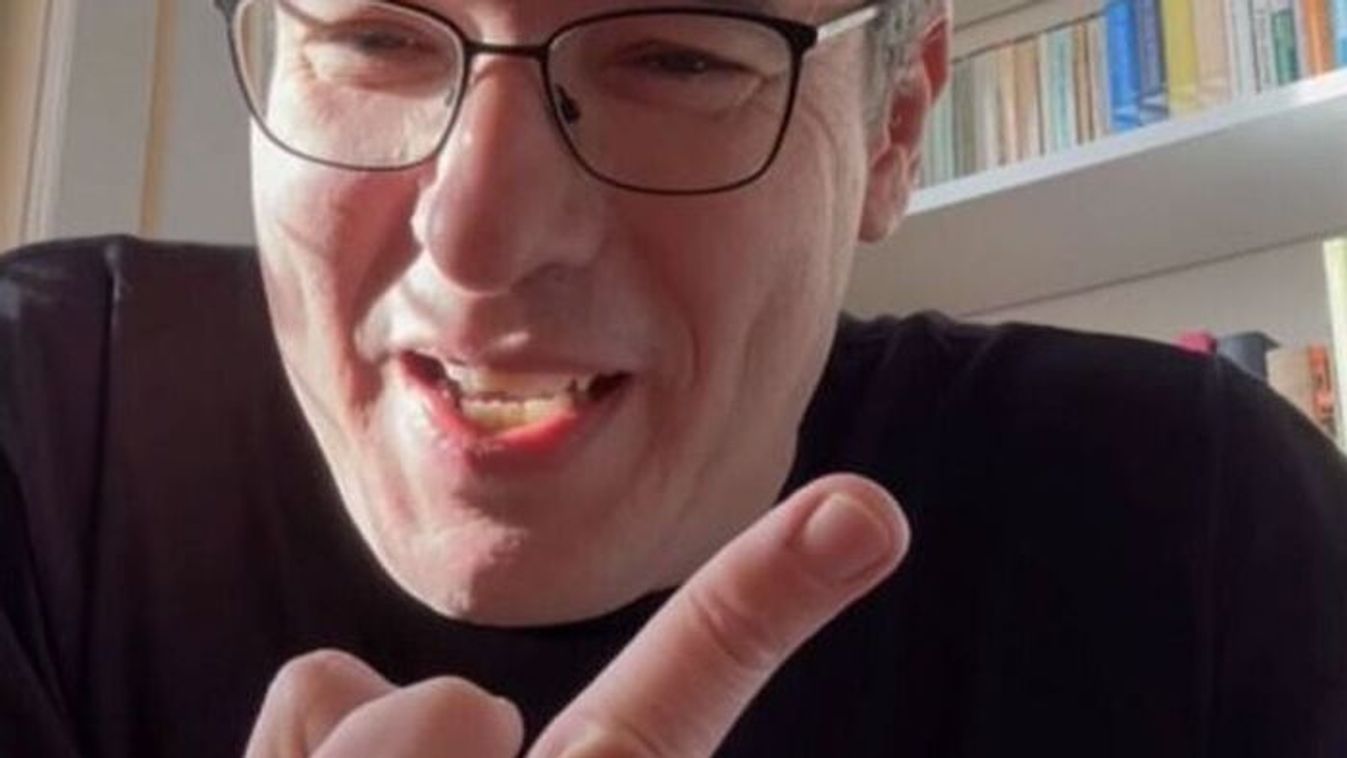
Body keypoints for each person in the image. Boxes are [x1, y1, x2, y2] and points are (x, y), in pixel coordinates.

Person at [2, 0, 1345, 754]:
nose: (476, 237)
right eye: (373, 35)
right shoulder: (42, 435)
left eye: (678, 55)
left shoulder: (1186, 523)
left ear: (892, 128)